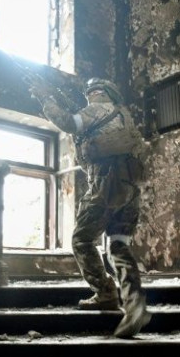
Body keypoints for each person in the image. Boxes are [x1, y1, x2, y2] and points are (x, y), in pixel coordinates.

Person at [30, 77, 151, 338]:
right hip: (129, 187)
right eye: (90, 91)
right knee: (118, 245)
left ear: (107, 94)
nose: (91, 94)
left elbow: (68, 123)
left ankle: (105, 292)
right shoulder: (124, 116)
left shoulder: (99, 108)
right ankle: (135, 305)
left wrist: (45, 98)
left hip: (106, 183)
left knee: (82, 240)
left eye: (96, 90)